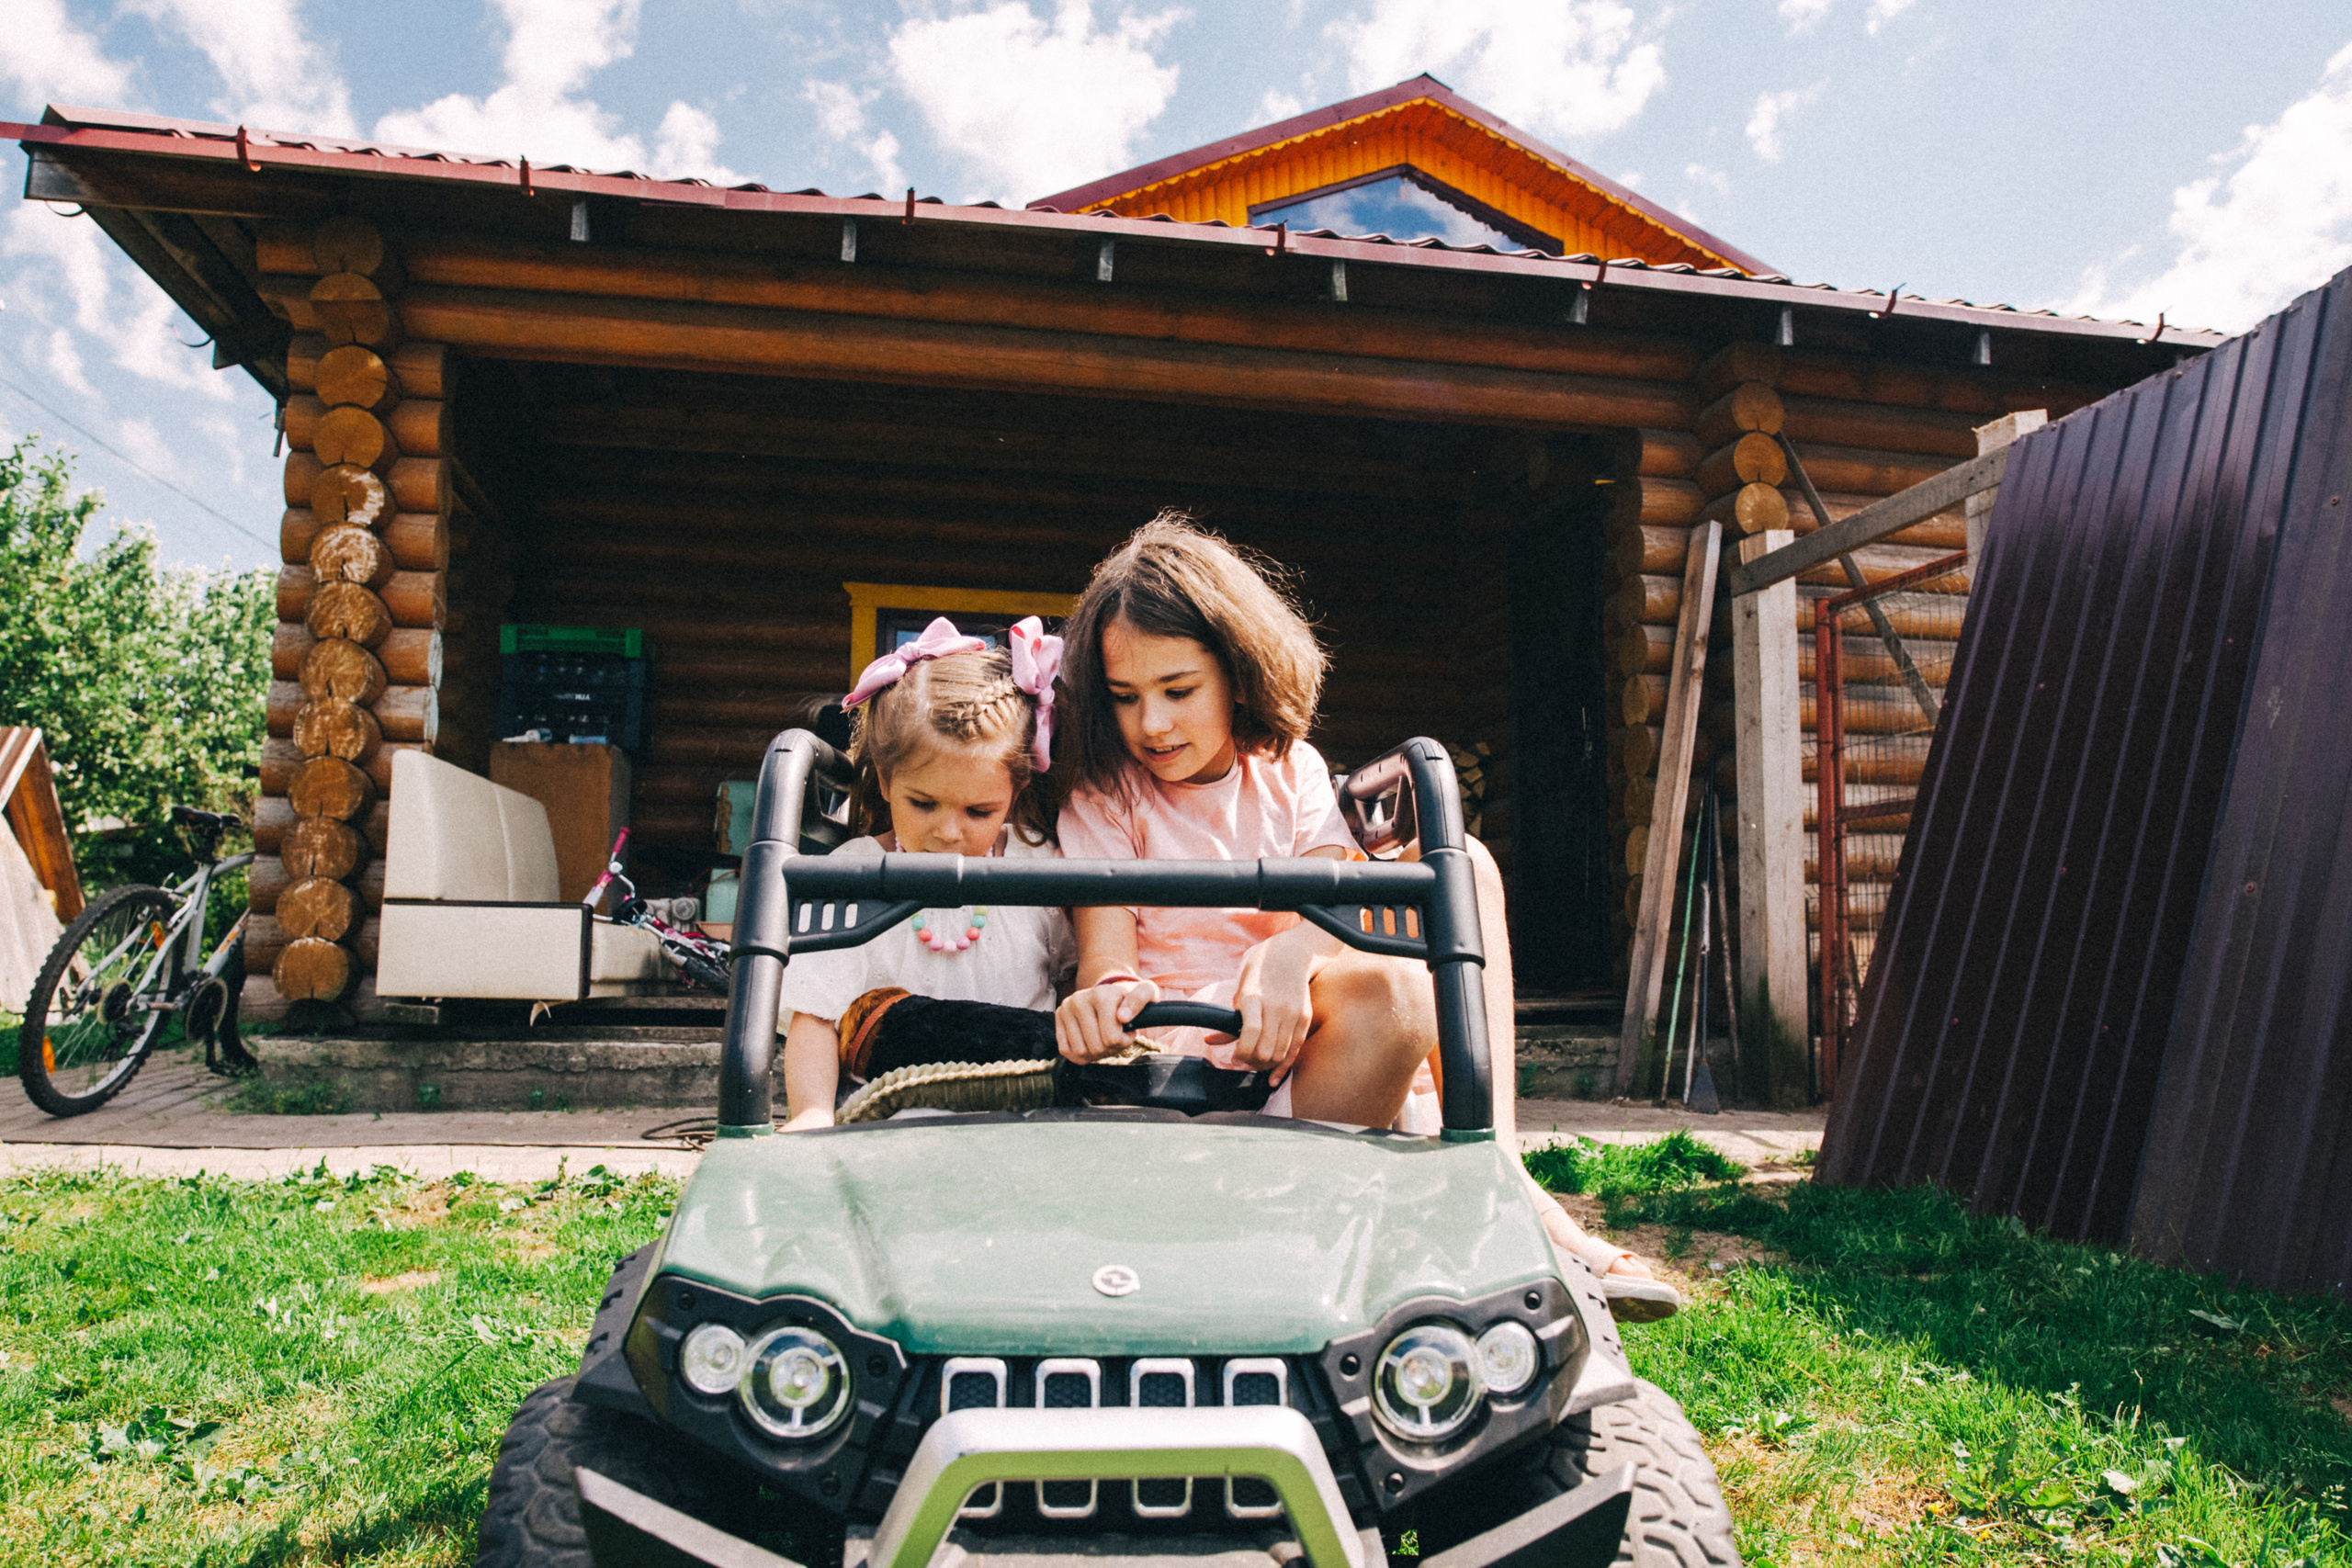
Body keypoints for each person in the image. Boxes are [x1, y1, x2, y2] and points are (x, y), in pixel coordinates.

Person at [1051, 514, 1676, 1316]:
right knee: (1402, 993)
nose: (1154, 723)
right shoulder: (1108, 796)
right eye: (1126, 698)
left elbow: (1326, 903)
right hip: (1197, 1066)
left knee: (1465, 869)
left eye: (1178, 690)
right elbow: (1107, 959)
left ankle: (1501, 1173)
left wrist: (1291, 956)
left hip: (1301, 1040)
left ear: (1238, 672)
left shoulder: (1290, 770)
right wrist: (1104, 996)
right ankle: (1332, 1225)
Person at [777, 616, 1076, 1130]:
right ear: (888, 781)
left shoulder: (1039, 870)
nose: (948, 832)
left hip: (1024, 1116)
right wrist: (811, 1113)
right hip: (887, 1115)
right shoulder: (855, 875)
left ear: (1015, 793)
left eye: (978, 811)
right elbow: (815, 1015)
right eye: (924, 803)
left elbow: (1074, 982)